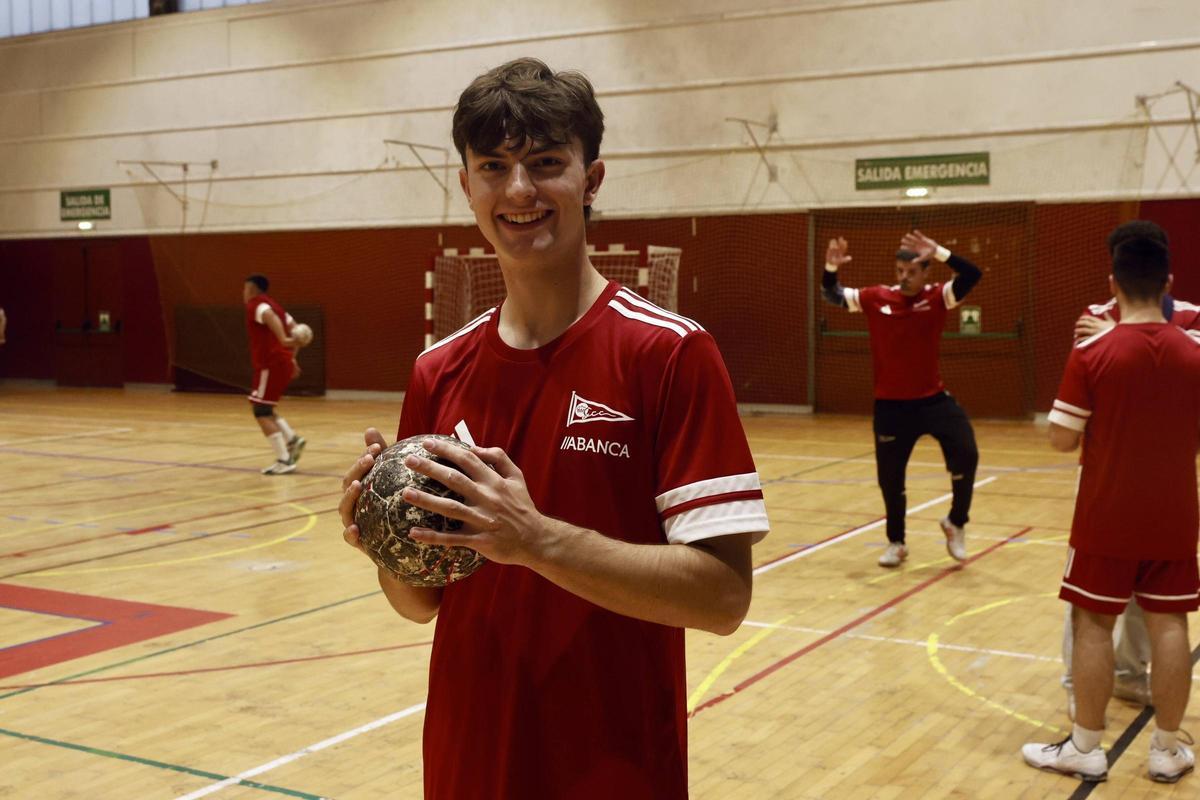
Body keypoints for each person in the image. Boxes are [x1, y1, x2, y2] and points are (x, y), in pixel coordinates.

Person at [337, 58, 768, 800]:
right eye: (493, 167)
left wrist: (535, 540)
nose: (518, 191)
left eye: (545, 163)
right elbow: (420, 603)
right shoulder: (437, 370)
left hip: (611, 771)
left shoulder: (668, 352)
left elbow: (723, 599)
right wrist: (382, 542)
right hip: (466, 763)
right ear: (466, 184)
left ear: (591, 179)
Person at [1023, 235, 1200, 784]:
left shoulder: (1093, 350)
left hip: (1106, 508)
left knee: (1094, 622)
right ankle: (1166, 750)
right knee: (1170, 623)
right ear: (1168, 282)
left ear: (1112, 284)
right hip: (1175, 510)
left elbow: (1060, 438)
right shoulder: (1194, 350)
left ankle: (1084, 747)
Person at [1060, 220, 1200, 717]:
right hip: (1110, 475)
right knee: (1091, 606)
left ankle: (1128, 674)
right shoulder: (1096, 316)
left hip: (1163, 477)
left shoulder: (1191, 316)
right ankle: (1077, 684)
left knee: (1154, 609)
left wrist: (1123, 338)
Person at [821, 231, 982, 567]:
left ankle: (956, 521)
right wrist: (830, 268)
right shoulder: (876, 297)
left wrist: (939, 252)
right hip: (890, 406)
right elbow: (831, 293)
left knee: (966, 451)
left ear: (925, 273)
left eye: (911, 271)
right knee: (891, 480)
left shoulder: (938, 297)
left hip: (932, 400)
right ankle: (897, 542)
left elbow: (972, 274)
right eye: (899, 271)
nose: (905, 277)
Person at [243, 274, 306, 475]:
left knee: (260, 411)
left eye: (245, 289)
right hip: (279, 363)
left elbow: (268, 315)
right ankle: (292, 440)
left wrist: (285, 341)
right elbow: (298, 330)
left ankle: (284, 459)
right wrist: (292, 358)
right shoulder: (277, 306)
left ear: (252, 289)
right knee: (266, 408)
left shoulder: (257, 304)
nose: (244, 293)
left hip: (269, 364)